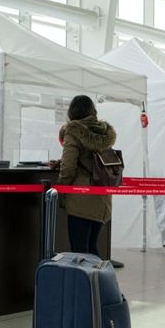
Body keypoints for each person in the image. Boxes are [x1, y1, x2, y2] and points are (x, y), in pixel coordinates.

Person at [54, 95, 116, 256]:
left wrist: (61, 191)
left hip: (81, 199)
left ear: (72, 112)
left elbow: (68, 168)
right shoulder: (103, 131)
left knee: (79, 252)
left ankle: (84, 282)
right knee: (92, 249)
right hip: (102, 198)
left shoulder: (73, 131)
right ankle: (98, 281)